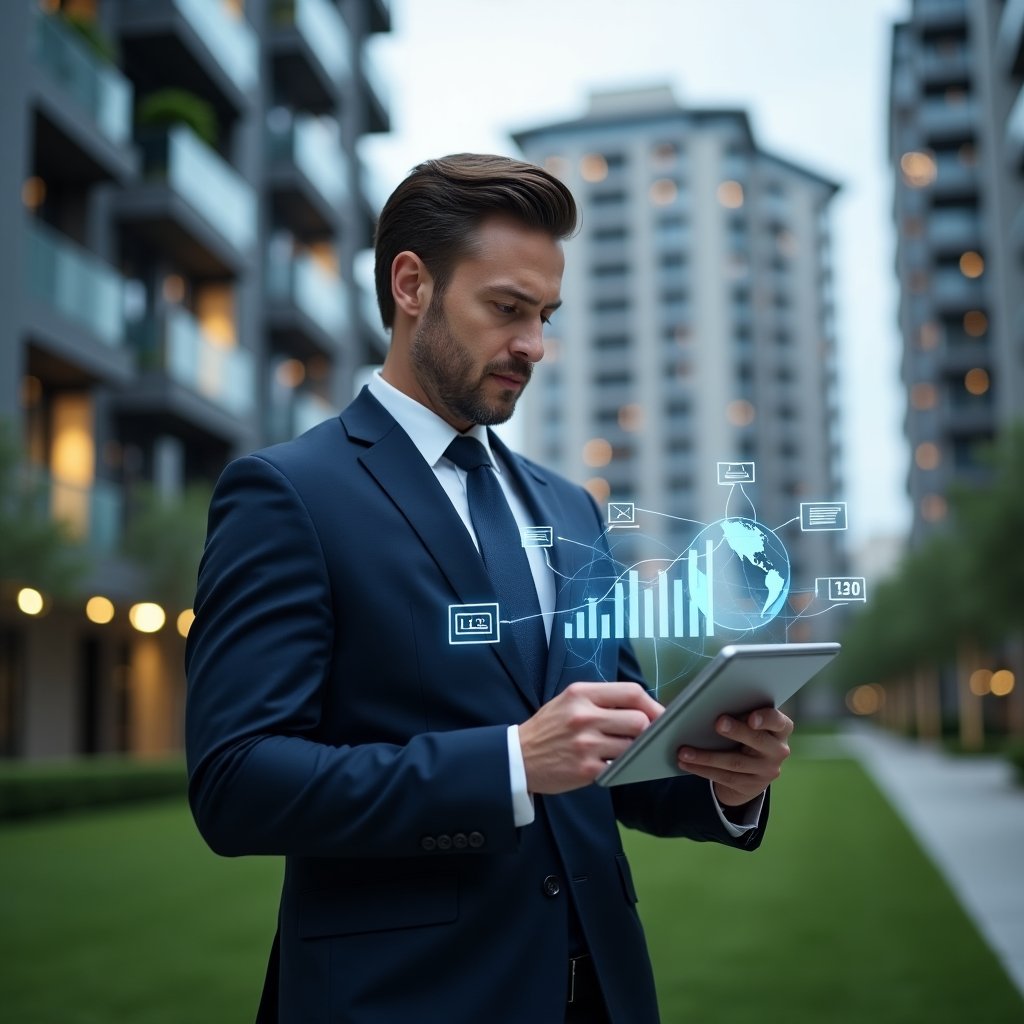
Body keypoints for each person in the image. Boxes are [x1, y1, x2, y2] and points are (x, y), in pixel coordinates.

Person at [185, 153, 794, 1024]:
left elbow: (608, 748)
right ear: (411, 285)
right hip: (403, 1001)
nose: (533, 345)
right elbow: (236, 784)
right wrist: (508, 762)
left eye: (546, 316)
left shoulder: (572, 507)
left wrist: (724, 782)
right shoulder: (288, 494)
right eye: (507, 309)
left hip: (606, 998)